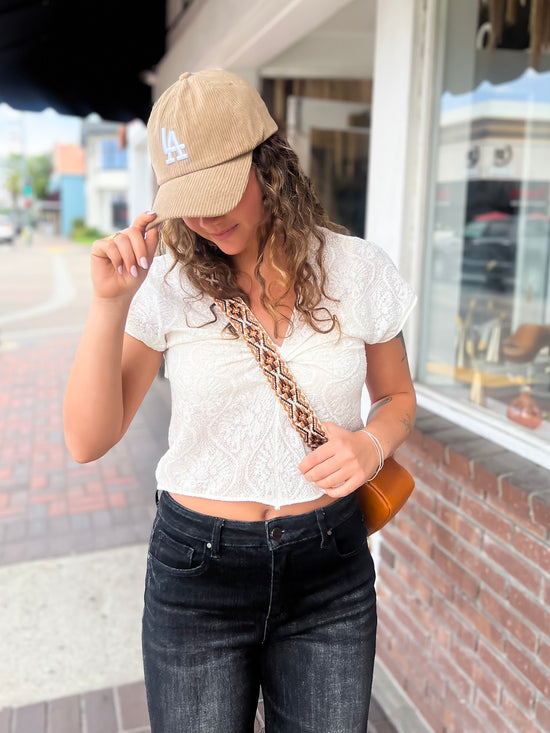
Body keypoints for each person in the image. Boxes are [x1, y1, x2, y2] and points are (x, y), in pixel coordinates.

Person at [63, 69, 417, 733]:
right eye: (186, 199)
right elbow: (88, 438)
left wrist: (371, 444)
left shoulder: (359, 269)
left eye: (220, 190)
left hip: (329, 569)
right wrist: (109, 303)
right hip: (198, 574)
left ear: (269, 165)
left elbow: (397, 397)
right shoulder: (165, 283)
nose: (201, 217)